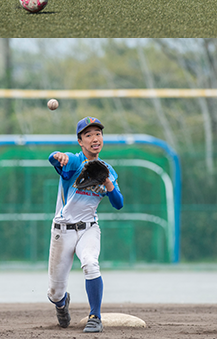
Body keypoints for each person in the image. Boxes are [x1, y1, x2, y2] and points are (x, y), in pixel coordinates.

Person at [46, 117, 124, 333]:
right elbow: (54, 159)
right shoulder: (73, 162)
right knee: (55, 292)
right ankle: (62, 304)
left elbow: (118, 203)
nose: (94, 138)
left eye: (98, 133)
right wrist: (57, 156)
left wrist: (108, 183)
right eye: (88, 135)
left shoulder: (108, 170)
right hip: (63, 231)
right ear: (80, 141)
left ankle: (94, 316)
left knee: (90, 263)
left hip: (89, 228)